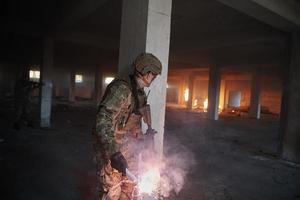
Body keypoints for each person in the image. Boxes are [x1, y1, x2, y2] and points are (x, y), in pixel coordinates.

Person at [94, 53, 162, 200]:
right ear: (146, 73)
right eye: (153, 73)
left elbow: (133, 124)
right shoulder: (121, 90)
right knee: (112, 192)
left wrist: (144, 139)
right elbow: (102, 121)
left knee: (129, 192)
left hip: (128, 151)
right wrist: (113, 153)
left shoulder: (140, 93)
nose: (154, 77)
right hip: (112, 151)